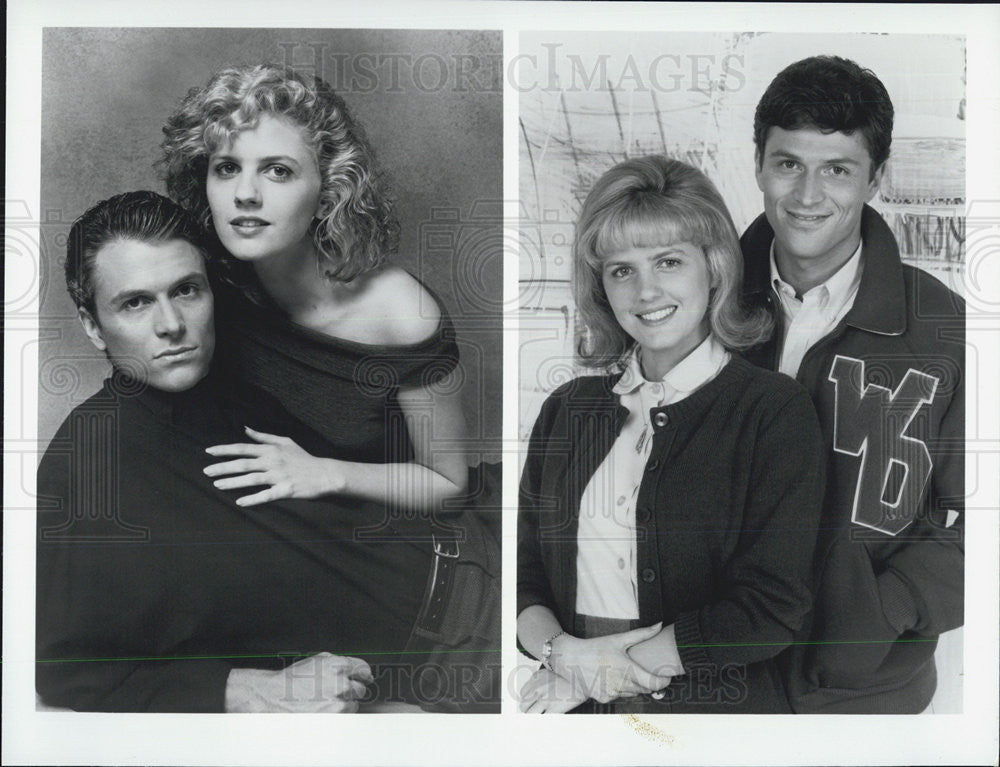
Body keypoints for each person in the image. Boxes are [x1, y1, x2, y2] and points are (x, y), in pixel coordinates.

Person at [36, 191, 498, 713]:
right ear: (92, 324)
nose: (171, 324)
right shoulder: (85, 463)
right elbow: (66, 670)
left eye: (187, 290)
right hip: (422, 670)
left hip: (476, 567)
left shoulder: (244, 346)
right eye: (135, 302)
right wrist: (258, 692)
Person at [517, 156, 825, 714]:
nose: (646, 291)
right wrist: (564, 655)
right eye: (621, 270)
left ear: (714, 268)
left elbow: (771, 608)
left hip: (711, 718)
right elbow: (522, 574)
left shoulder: (773, 411)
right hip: (570, 705)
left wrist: (604, 676)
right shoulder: (566, 411)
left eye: (668, 261)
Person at [741, 55, 965, 713]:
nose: (808, 196)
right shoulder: (694, 302)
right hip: (710, 682)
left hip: (866, 694)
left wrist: (884, 606)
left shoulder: (948, 329)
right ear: (758, 162)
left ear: (876, 178)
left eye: (836, 169)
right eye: (789, 164)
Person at [159, 63, 470, 514]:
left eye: (277, 171)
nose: (245, 193)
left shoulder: (400, 312)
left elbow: (449, 485)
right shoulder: (205, 280)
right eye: (226, 168)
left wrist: (326, 472)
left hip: (385, 546)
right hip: (266, 533)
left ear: (329, 190)